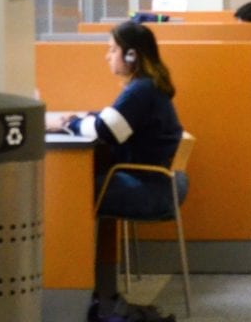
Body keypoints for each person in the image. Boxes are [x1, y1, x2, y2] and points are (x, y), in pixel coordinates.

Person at [60, 21, 185, 322]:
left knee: (70, 195)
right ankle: (92, 287)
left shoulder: (140, 91)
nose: (107, 56)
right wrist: (82, 118)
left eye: (112, 49)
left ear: (132, 56)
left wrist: (68, 123)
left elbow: (106, 130)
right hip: (159, 182)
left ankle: (72, 289)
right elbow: (110, 119)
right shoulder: (147, 87)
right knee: (86, 186)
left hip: (147, 189)